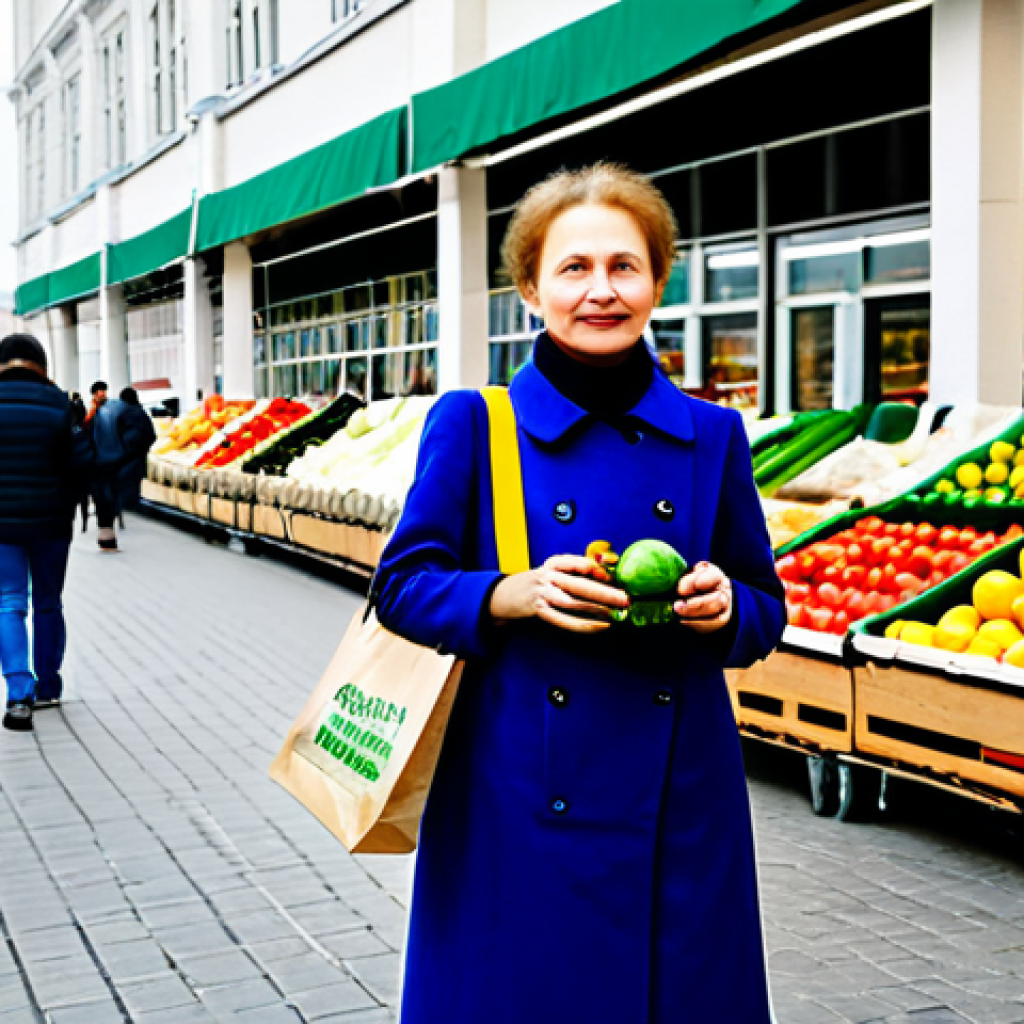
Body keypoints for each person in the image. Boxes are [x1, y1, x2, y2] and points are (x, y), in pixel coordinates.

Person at [373, 164, 785, 1023]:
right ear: (530, 287)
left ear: (658, 280)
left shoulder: (713, 434)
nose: (601, 290)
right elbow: (402, 588)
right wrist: (507, 595)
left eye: (624, 267)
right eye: (573, 268)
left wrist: (726, 610)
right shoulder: (474, 422)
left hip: (681, 798)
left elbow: (764, 606)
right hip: (516, 789)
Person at [0, 334, 93, 730]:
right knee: (48, 602)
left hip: (1, 523)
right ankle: (49, 686)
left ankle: (18, 692)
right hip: (52, 523)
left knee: (8, 601)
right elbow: (83, 464)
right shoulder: (61, 405)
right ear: (41, 364)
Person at [88, 386, 156, 551]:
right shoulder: (133, 413)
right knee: (114, 494)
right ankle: (108, 534)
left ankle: (106, 533)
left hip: (100, 460)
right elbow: (144, 437)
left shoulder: (103, 410)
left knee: (103, 495)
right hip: (120, 461)